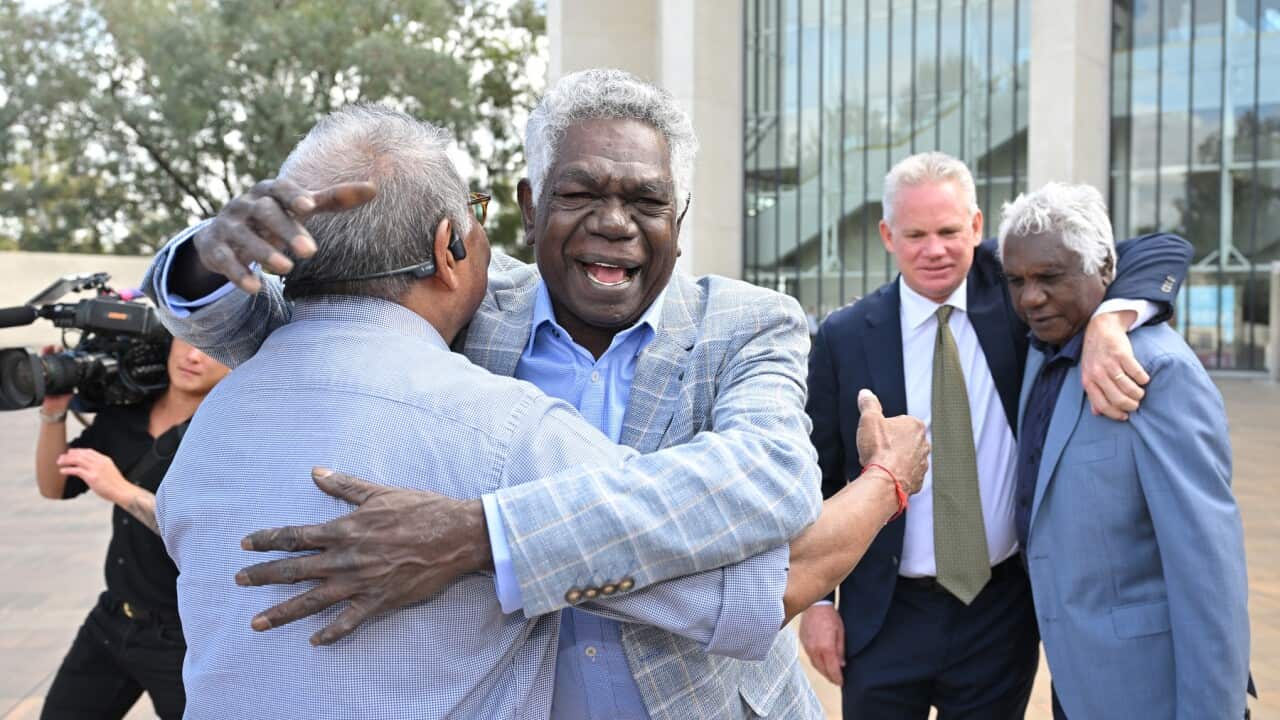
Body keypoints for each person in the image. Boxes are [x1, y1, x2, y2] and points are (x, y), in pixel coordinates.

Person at [153, 102, 930, 720]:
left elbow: (770, 482)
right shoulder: (462, 304)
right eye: (581, 192)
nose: (616, 222)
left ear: (680, 216)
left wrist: (483, 533)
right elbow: (321, 323)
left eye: (647, 200)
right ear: (524, 208)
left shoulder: (747, 322)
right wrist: (202, 257)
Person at [798, 152, 1193, 719]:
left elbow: (1160, 251)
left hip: (999, 613)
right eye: (915, 234)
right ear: (887, 235)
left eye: (949, 231)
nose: (934, 249)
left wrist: (1113, 318)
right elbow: (817, 475)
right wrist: (816, 602)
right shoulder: (843, 336)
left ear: (977, 227)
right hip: (883, 616)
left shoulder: (1017, 294)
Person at [998, 182, 1249, 720]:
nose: (1028, 298)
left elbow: (1207, 572)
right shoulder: (1046, 349)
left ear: (1107, 268)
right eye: (1016, 281)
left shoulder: (1157, 370)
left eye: (1049, 278)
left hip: (1154, 691)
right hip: (1078, 680)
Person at [33, 337, 230, 720]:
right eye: (186, 340)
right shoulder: (125, 413)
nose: (192, 356)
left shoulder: (226, 435)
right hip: (112, 620)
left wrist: (122, 491)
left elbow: (208, 536)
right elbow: (54, 487)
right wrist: (54, 412)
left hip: (183, 636)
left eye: (211, 348)